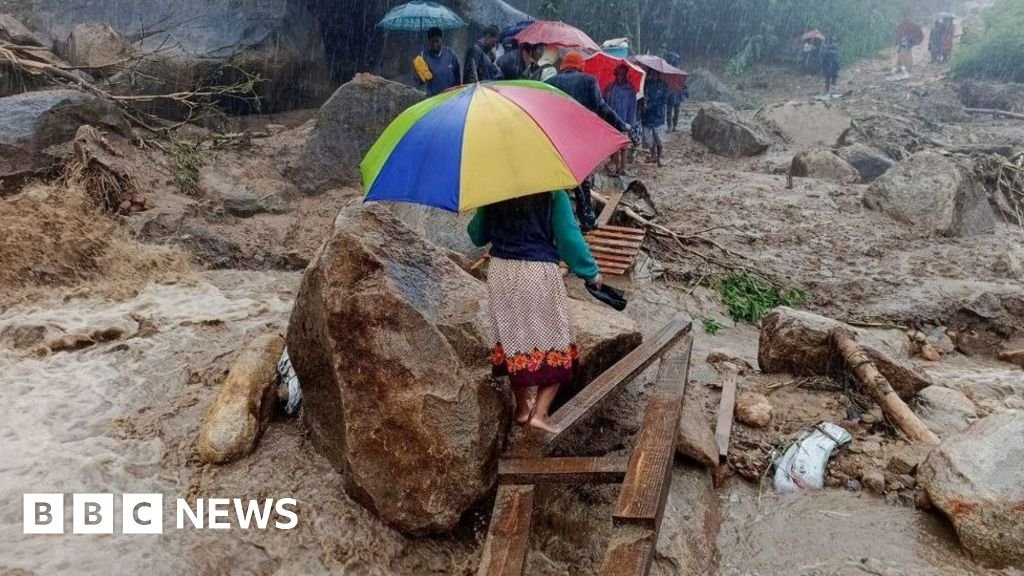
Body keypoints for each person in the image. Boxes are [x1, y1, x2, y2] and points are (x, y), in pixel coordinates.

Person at [467, 191, 602, 433]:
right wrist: (590, 272)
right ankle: (540, 413)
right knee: (558, 340)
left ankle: (522, 409)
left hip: (500, 272)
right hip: (536, 272)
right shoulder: (552, 192)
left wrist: (482, 207)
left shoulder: (492, 189)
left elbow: (477, 236)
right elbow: (569, 239)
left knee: (512, 339)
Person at [547, 52, 631, 230]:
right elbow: (601, 107)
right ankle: (586, 218)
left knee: (560, 179)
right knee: (582, 178)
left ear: (564, 66)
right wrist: (621, 124)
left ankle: (557, 222)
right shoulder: (588, 81)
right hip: (580, 138)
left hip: (558, 138)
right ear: (580, 66)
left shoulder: (551, 83)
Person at [604, 64, 637, 176]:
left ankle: (623, 168)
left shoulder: (630, 90)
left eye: (622, 74)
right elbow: (605, 103)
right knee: (615, 146)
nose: (620, 77)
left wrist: (631, 123)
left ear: (626, 75)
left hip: (624, 121)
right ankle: (617, 167)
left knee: (624, 145)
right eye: (618, 74)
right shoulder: (610, 88)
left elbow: (632, 107)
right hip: (612, 120)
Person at [414, 27, 461, 97]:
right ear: (428, 41)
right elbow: (418, 83)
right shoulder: (423, 57)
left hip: (451, 97)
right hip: (433, 99)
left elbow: (458, 78)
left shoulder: (451, 54)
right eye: (432, 41)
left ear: (441, 40)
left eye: (437, 41)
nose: (435, 44)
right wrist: (421, 74)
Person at [641, 70, 668, 167]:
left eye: (655, 74)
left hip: (658, 116)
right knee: (648, 139)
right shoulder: (645, 84)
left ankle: (658, 158)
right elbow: (641, 95)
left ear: (658, 74)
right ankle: (653, 155)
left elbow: (664, 100)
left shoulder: (663, 85)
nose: (653, 76)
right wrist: (644, 103)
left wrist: (652, 104)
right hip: (647, 116)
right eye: (651, 74)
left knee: (659, 139)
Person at [664, 51, 685, 132]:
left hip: (677, 92)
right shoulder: (668, 69)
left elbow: (682, 81)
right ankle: (669, 126)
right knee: (670, 109)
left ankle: (674, 126)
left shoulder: (679, 69)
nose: (677, 62)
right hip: (671, 92)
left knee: (676, 109)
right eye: (676, 60)